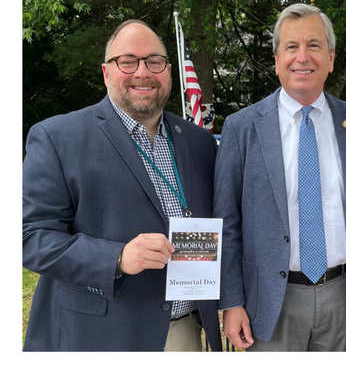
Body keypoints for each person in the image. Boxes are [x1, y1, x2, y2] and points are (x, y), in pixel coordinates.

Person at [23, 20, 222, 352]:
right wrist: (116, 257)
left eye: (154, 61)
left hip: (185, 334)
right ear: (106, 72)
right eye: (128, 61)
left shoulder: (200, 142)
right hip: (101, 337)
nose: (142, 72)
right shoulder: (58, 137)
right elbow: (30, 236)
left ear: (169, 70)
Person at [213, 2, 346, 352]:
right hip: (270, 301)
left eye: (314, 45)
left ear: (331, 58)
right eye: (291, 46)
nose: (303, 57)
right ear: (276, 60)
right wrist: (231, 301)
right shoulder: (241, 128)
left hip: (342, 294)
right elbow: (226, 222)